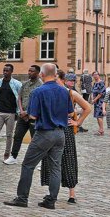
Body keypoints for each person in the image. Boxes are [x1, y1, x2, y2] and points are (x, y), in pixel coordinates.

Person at [4, 64, 74, 209]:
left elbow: (33, 116)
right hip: (60, 133)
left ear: (42, 74)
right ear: (55, 74)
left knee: (28, 165)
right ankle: (51, 200)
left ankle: (22, 198)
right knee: (55, 167)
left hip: (45, 132)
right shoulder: (64, 91)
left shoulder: (38, 92)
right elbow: (70, 112)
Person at [41, 71, 93, 205]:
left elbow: (87, 108)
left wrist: (78, 122)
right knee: (49, 159)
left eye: (56, 79)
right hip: (51, 127)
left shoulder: (70, 93)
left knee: (68, 159)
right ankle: (51, 192)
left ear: (63, 80)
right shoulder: (49, 92)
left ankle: (72, 194)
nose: (54, 81)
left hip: (66, 130)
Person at [0, 64, 22, 162]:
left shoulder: (17, 84)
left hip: (11, 113)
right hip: (0, 112)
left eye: (7, 70)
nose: (5, 72)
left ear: (11, 72)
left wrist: (19, 111)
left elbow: (20, 98)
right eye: (4, 70)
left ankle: (7, 154)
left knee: (9, 135)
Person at [8, 65, 42, 163]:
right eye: (29, 70)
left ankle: (37, 160)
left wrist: (27, 112)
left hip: (34, 116)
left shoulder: (40, 85)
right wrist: (21, 111)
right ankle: (13, 156)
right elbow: (19, 98)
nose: (29, 73)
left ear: (37, 73)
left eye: (32, 71)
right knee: (17, 136)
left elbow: (40, 103)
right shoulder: (25, 84)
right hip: (22, 116)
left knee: (35, 139)